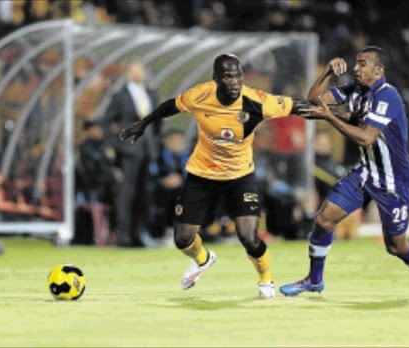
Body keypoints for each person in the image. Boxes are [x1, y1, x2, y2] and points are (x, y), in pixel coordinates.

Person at [120, 53, 317, 297]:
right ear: (216, 79)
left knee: (248, 237)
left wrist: (335, 114)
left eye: (238, 76)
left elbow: (295, 105)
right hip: (202, 174)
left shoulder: (255, 100)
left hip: (240, 176)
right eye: (227, 76)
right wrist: (144, 123)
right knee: (182, 239)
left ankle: (265, 280)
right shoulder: (201, 95)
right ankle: (203, 259)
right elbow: (171, 106)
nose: (234, 82)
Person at [280, 46, 409, 298]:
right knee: (323, 220)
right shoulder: (356, 91)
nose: (356, 68)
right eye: (356, 63)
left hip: (394, 181)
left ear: (378, 70)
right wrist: (326, 72)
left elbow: (367, 138)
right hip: (365, 173)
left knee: (396, 246)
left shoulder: (387, 96)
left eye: (362, 64)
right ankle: (314, 280)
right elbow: (316, 99)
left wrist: (329, 117)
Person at [103, 61, 161, 247]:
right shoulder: (119, 95)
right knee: (126, 193)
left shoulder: (151, 93)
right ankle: (124, 235)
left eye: (141, 70)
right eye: (134, 70)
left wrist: (154, 142)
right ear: (128, 73)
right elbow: (106, 121)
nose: (138, 73)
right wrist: (116, 144)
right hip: (128, 150)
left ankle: (140, 233)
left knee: (145, 194)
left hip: (147, 149)